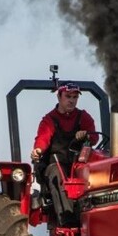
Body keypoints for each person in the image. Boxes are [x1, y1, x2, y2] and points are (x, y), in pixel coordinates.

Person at [30, 82, 98, 226]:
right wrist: (38, 150)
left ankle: (96, 215)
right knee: (57, 174)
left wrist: (86, 135)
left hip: (78, 164)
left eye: (74, 97)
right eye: (68, 96)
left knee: (95, 173)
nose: (71, 100)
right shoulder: (49, 120)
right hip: (56, 164)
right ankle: (67, 220)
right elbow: (43, 138)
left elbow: (94, 138)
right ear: (59, 97)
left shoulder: (83, 117)